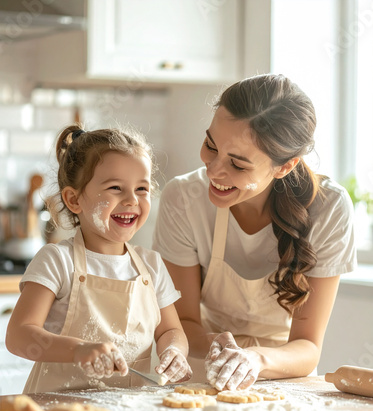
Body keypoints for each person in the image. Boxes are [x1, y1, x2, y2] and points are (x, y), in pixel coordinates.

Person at [153, 73, 356, 392]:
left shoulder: (329, 208)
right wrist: (224, 354)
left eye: (237, 164)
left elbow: (307, 345)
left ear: (284, 166)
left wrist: (256, 359)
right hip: (203, 371)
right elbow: (183, 323)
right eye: (210, 145)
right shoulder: (182, 198)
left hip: (287, 380)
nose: (214, 170)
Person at [6, 125, 192, 393]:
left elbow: (170, 331)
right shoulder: (57, 260)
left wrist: (174, 351)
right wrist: (78, 350)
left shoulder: (151, 265)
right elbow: (18, 335)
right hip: (58, 410)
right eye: (116, 188)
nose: (132, 200)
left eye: (142, 188)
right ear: (74, 199)